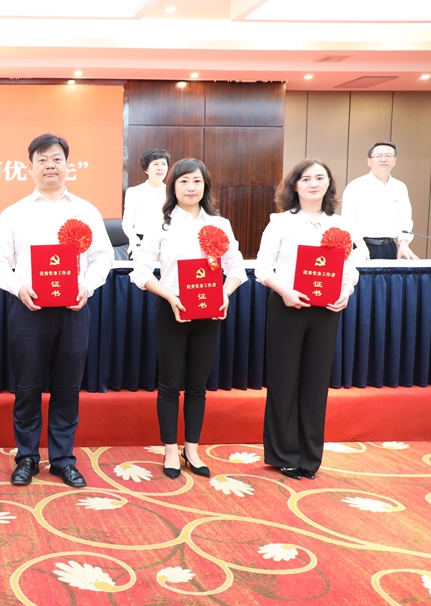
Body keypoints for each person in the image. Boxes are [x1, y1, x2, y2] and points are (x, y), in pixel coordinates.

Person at [0, 133, 114, 488]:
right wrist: (18, 287)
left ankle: (62, 459)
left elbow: (103, 258)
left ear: (67, 166)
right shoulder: (13, 213)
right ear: (30, 168)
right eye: (42, 160)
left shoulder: (85, 211)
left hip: (74, 310)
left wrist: (87, 286)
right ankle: (27, 457)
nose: (50, 165)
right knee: (27, 387)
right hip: (28, 310)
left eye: (56, 159)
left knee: (67, 388)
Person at [130, 158, 246, 479]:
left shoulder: (220, 224)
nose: (191, 187)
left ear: (205, 185)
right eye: (183, 181)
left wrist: (225, 293)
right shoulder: (161, 224)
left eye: (197, 181)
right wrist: (169, 296)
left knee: (197, 385)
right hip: (172, 312)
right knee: (169, 384)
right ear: (173, 186)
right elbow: (140, 272)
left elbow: (236, 267)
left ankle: (191, 448)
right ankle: (170, 448)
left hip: (209, 313)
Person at [255, 159, 362, 480]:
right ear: (295, 185)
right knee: (284, 380)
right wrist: (285, 292)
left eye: (319, 178)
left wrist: (347, 290)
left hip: (326, 311)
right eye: (306, 179)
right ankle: (284, 453)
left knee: (316, 384)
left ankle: (310, 457)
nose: (313, 184)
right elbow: (262, 267)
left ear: (328, 183)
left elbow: (351, 267)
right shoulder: (280, 222)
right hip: (287, 307)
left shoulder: (341, 225)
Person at [341, 141, 418, 260]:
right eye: (378, 156)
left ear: (394, 161)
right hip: (361, 246)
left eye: (388, 156)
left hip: (389, 247)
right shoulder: (355, 186)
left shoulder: (400, 187)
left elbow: (405, 219)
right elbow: (348, 220)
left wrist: (404, 243)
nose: (383, 159)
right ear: (369, 161)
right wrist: (361, 245)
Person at [123, 149, 170, 259]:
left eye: (163, 164)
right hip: (141, 242)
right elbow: (127, 223)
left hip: (166, 243)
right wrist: (136, 242)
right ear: (146, 169)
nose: (160, 168)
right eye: (155, 164)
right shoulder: (134, 192)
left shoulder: (173, 192)